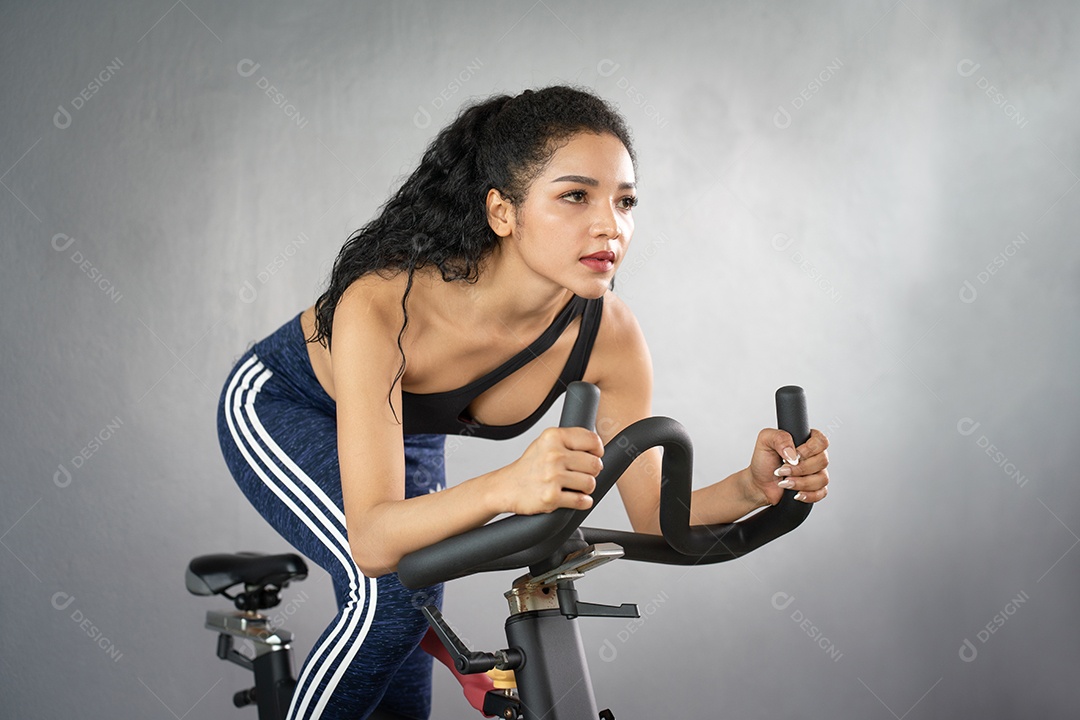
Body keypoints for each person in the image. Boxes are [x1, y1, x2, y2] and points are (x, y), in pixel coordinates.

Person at [216, 84, 830, 720]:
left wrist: (756, 487)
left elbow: (654, 515)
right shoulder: (385, 301)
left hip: (407, 432)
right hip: (285, 404)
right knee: (390, 593)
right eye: (574, 196)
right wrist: (510, 485)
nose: (609, 226)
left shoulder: (608, 335)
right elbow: (373, 540)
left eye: (625, 202)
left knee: (414, 603)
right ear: (502, 212)